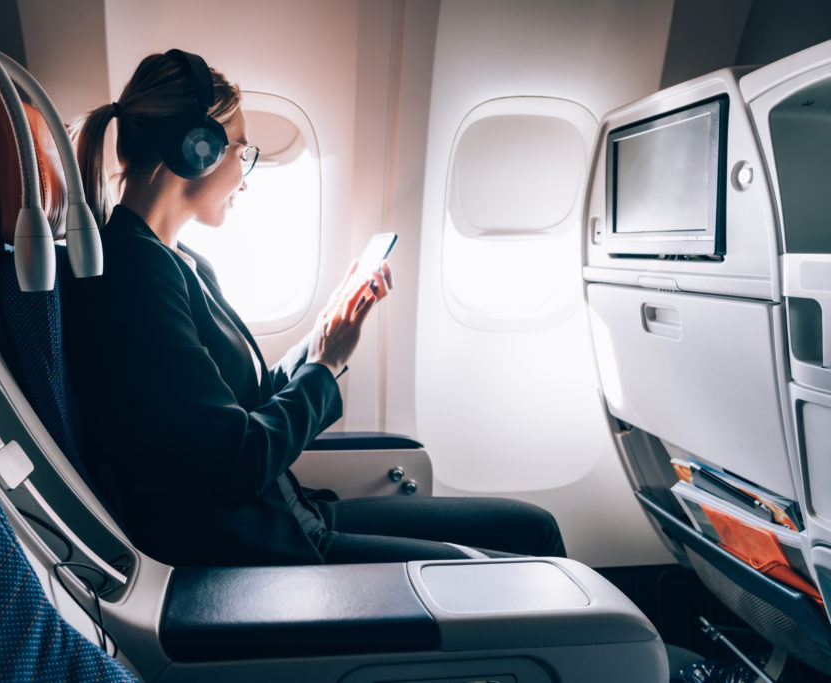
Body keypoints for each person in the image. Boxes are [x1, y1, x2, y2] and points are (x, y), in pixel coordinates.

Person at [64, 49, 565, 567]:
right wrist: (325, 367)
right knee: (530, 552)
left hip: (291, 518)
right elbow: (233, 464)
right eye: (243, 150)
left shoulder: (177, 260)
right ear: (199, 148)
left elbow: (250, 401)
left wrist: (327, 333)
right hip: (259, 549)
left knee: (530, 530)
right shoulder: (134, 277)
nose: (246, 173)